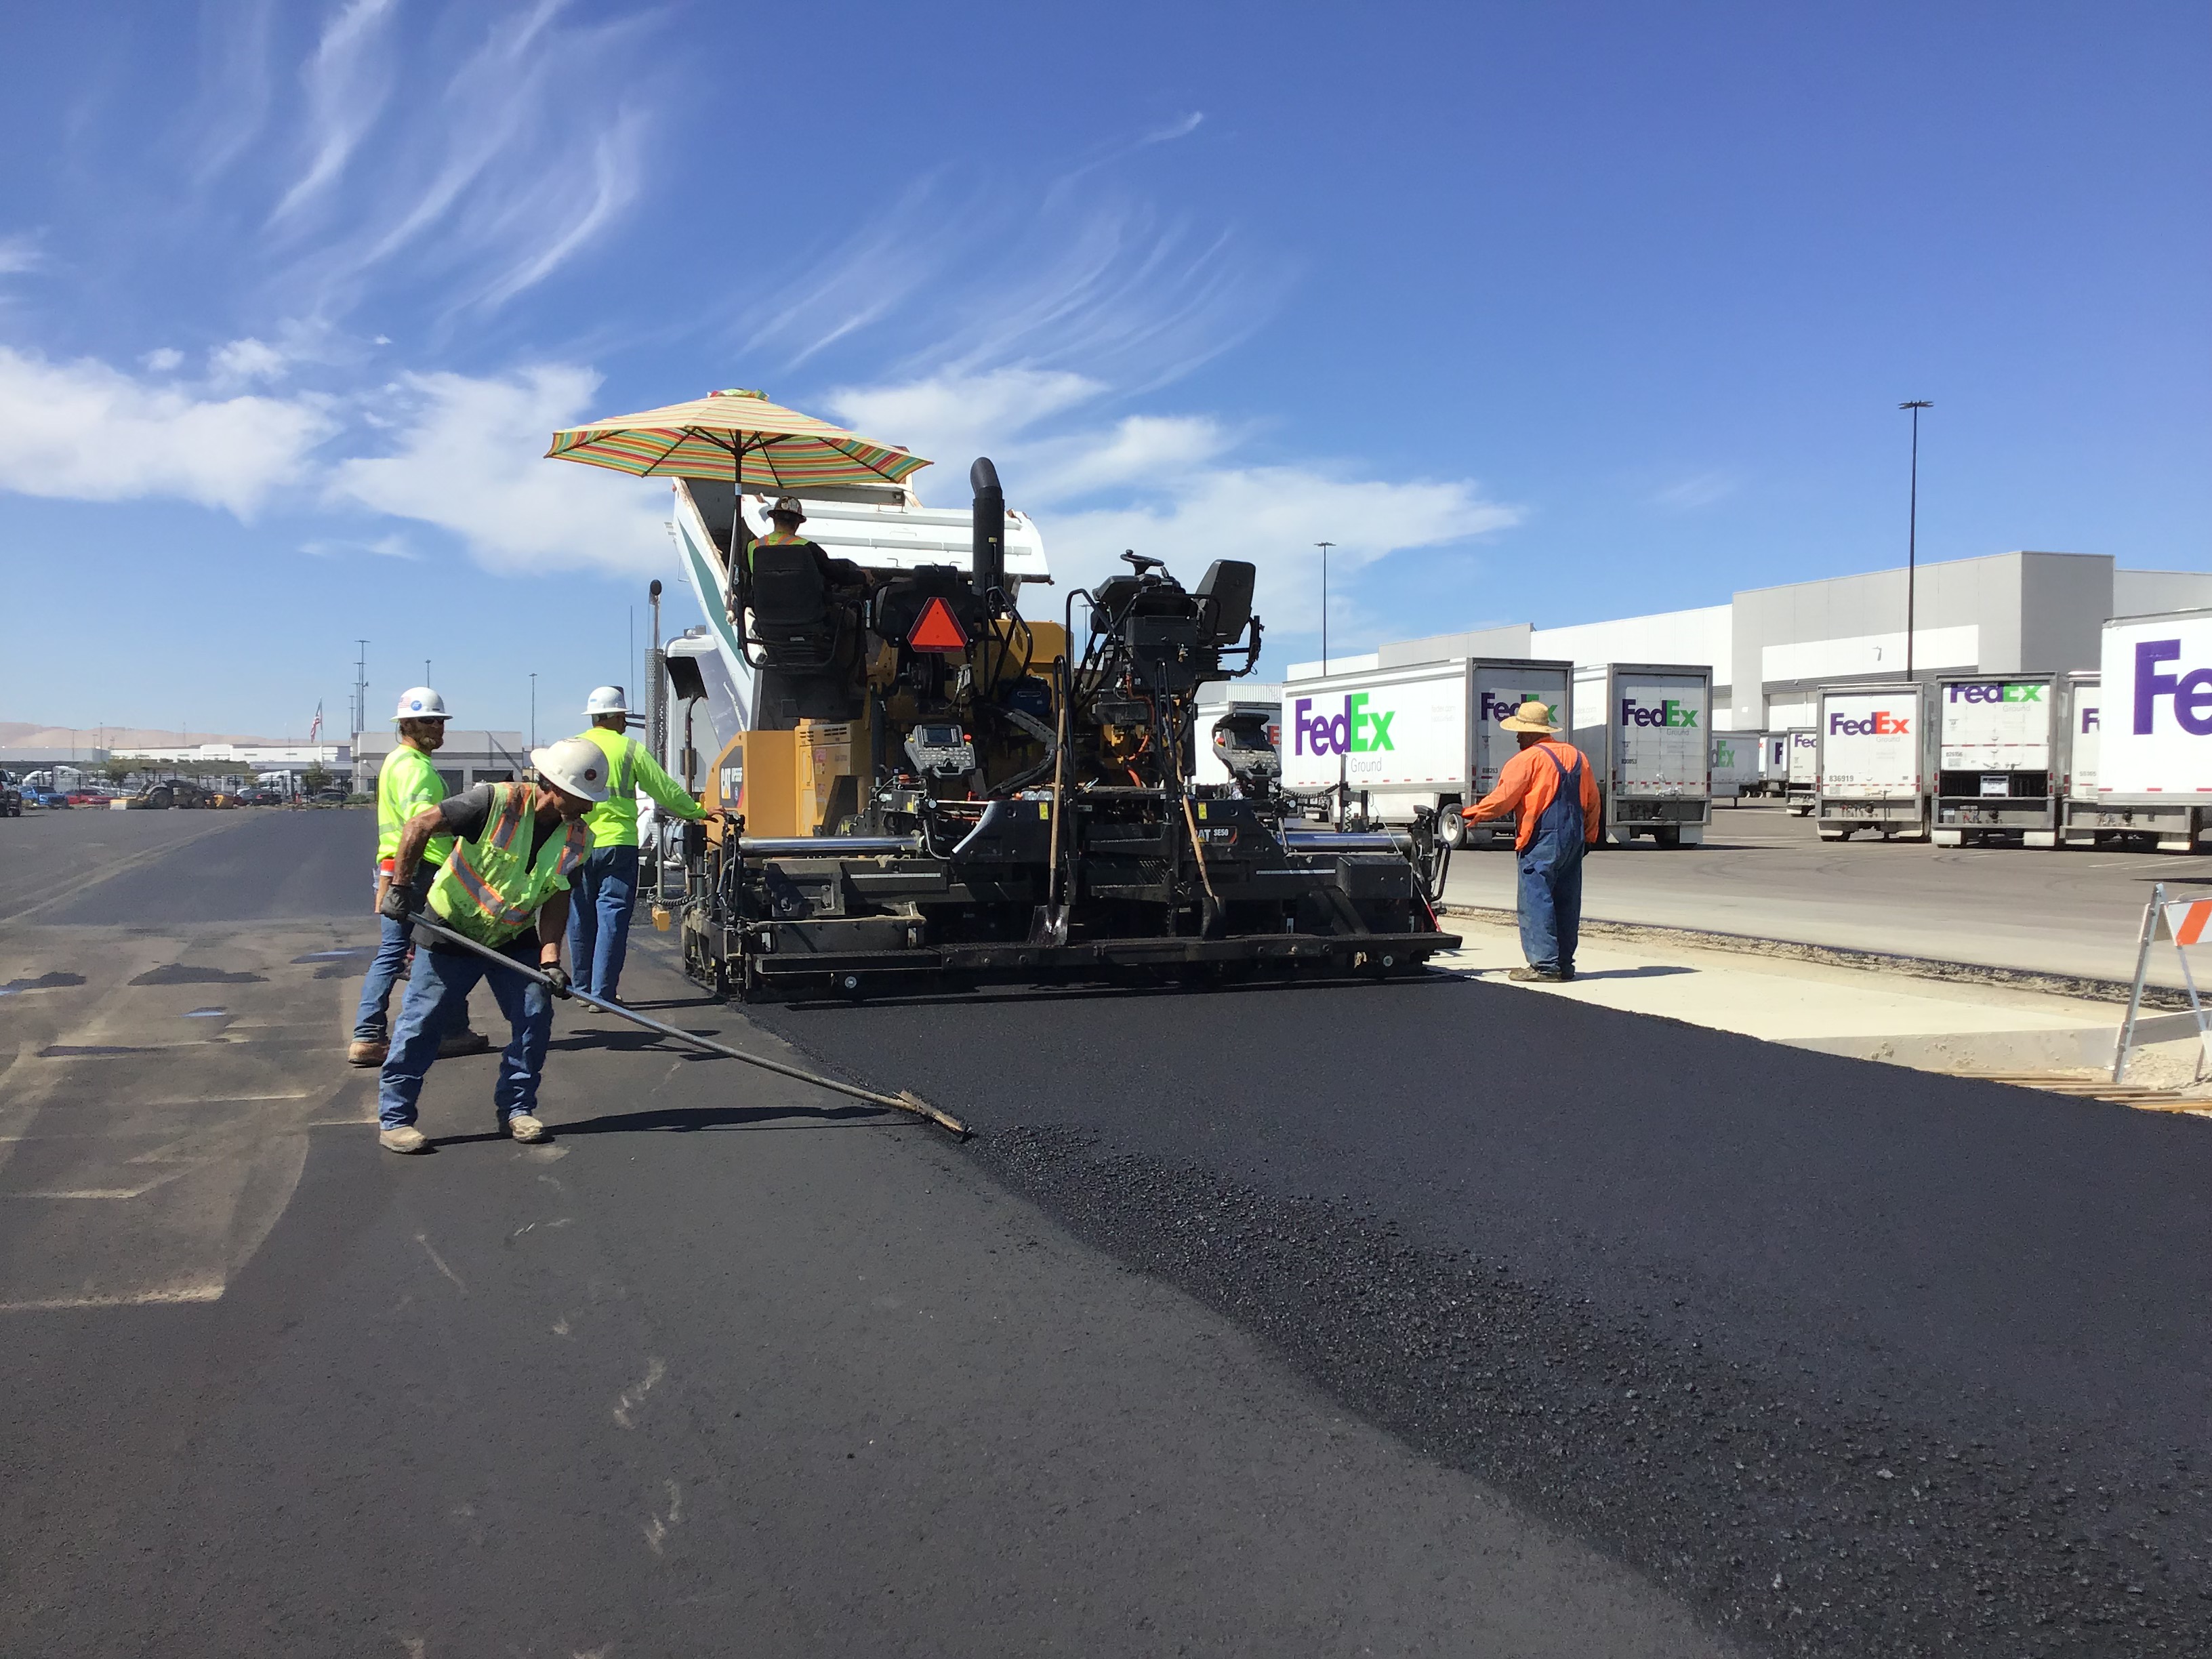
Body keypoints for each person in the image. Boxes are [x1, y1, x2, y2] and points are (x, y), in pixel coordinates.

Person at [372, 737, 609, 1153]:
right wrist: (401, 886)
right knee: (422, 1024)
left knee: (534, 1013)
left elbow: (558, 895)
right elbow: (419, 825)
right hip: (450, 928)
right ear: (553, 784)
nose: (589, 806)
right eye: (582, 797)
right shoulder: (494, 803)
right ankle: (395, 1119)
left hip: (511, 936)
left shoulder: (577, 837)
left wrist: (550, 957)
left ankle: (517, 1109)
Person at [349, 688, 487, 1067]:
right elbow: (422, 825)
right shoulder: (416, 769)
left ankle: (374, 1034)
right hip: (421, 869)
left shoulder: (397, 761)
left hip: (398, 866)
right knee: (440, 949)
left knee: (411, 951)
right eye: (428, 720)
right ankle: (441, 1031)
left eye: (440, 721)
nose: (437, 728)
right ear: (405, 724)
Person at [568, 685, 711, 1002]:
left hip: (576, 844)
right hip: (618, 844)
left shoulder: (573, 747)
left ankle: (581, 990)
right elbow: (664, 789)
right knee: (612, 917)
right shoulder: (630, 749)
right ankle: (603, 994)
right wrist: (698, 811)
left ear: (593, 717)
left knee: (579, 916)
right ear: (619, 716)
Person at [1462, 701, 1602, 982]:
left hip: (1541, 838)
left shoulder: (1526, 760)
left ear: (1529, 733)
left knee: (1536, 900)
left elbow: (1504, 800)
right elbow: (1593, 801)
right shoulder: (1577, 757)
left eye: (1519, 731)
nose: (1516, 737)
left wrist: (1472, 813)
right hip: (1573, 838)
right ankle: (1564, 964)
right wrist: (1589, 836)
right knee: (1567, 901)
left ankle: (1544, 966)